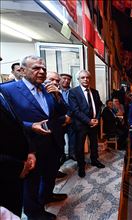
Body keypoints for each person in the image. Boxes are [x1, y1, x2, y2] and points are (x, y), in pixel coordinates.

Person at [0, 55, 68, 220]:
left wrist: (58, 97)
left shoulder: (47, 88)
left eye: (43, 68)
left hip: (53, 142)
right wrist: (31, 126)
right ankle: (34, 213)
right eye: (36, 68)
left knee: (50, 175)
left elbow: (61, 113)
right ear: (22, 71)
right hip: (31, 146)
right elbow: (9, 121)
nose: (42, 71)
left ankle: (46, 197)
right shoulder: (8, 90)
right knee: (32, 183)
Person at [0, 89, 35, 217]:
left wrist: (30, 151)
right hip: (7, 169)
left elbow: (17, 124)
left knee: (14, 210)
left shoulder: (4, 92)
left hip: (17, 169)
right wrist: (18, 166)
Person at [68, 70, 104, 178]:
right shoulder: (73, 92)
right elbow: (75, 110)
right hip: (81, 125)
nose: (85, 79)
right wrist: (89, 121)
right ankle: (81, 166)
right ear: (78, 79)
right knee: (79, 147)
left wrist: (97, 119)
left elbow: (98, 107)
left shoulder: (95, 92)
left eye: (87, 77)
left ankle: (94, 160)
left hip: (94, 124)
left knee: (94, 144)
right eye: (83, 77)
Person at [59, 73, 76, 161]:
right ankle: (62, 156)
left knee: (72, 138)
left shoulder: (73, 91)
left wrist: (69, 116)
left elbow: (74, 105)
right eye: (64, 78)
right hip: (60, 119)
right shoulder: (55, 91)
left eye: (68, 79)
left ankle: (72, 154)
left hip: (71, 119)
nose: (66, 81)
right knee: (60, 139)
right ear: (60, 79)